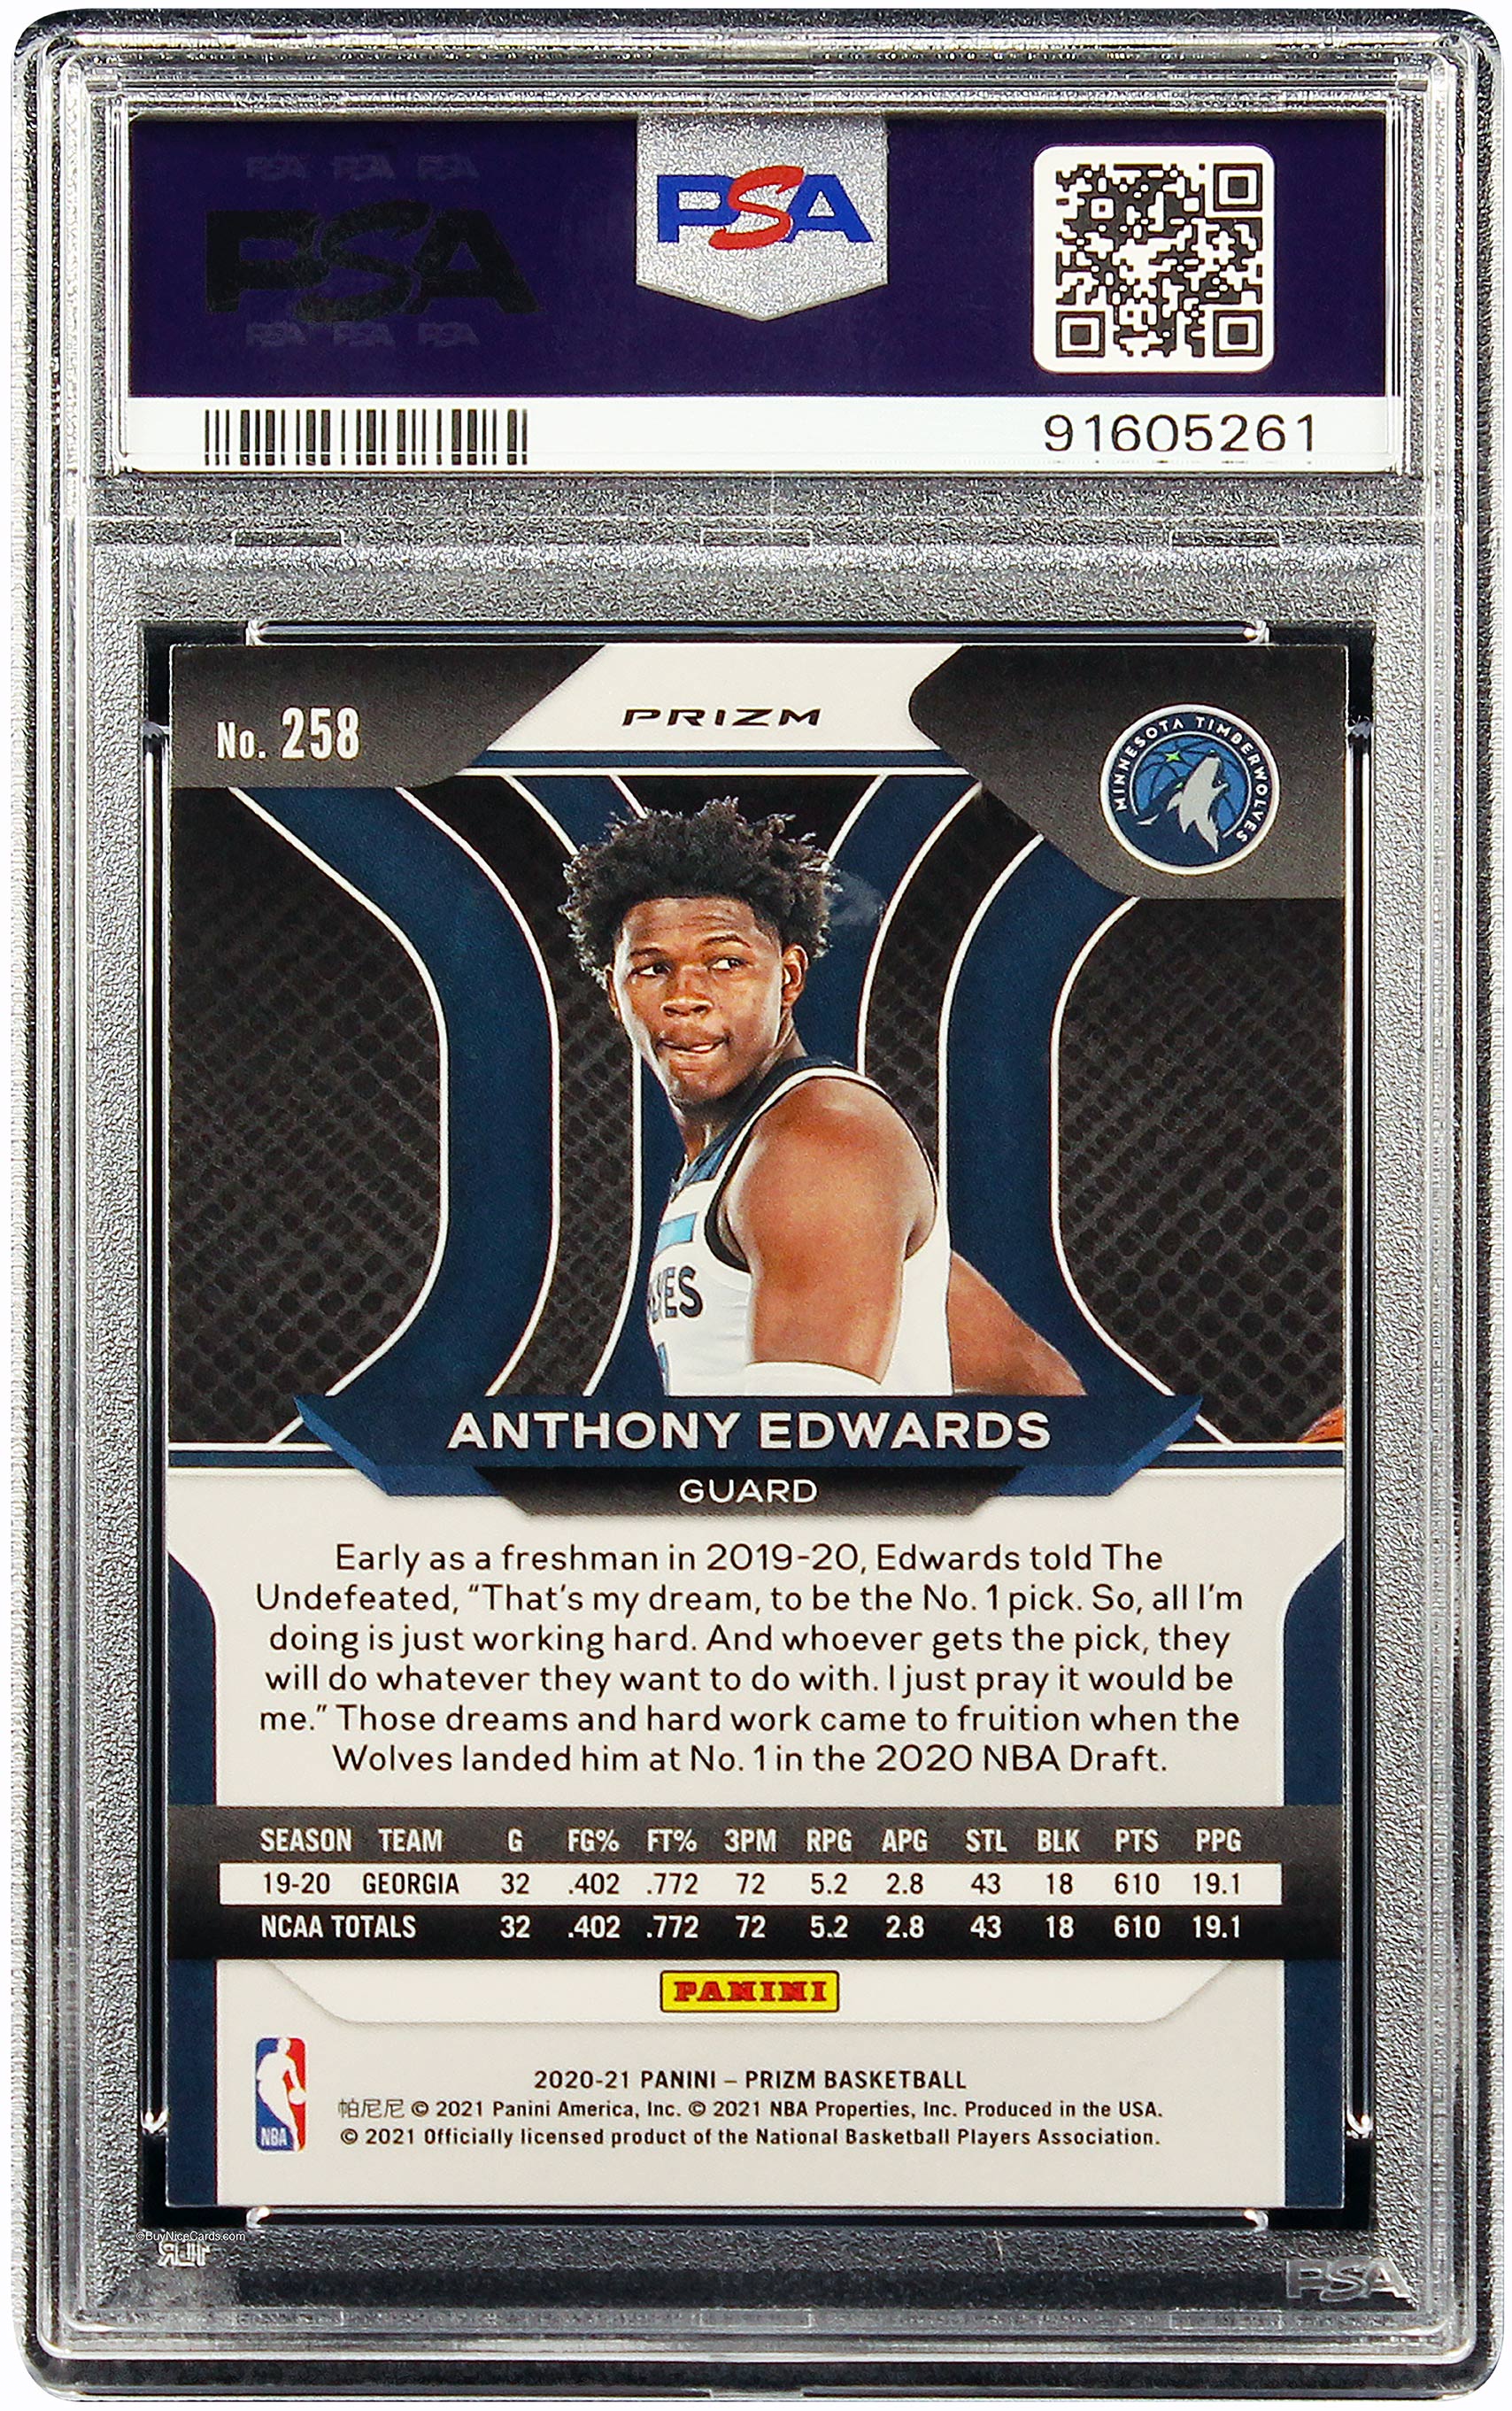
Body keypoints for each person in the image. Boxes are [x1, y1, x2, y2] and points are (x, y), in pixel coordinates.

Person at [563, 800, 1083, 1400]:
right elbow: (1039, 1381)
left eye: (726, 963)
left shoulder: (822, 1143)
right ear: (614, 993)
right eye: (653, 969)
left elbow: (807, 1446)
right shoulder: (753, 1150)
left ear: (788, 977)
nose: (687, 996)